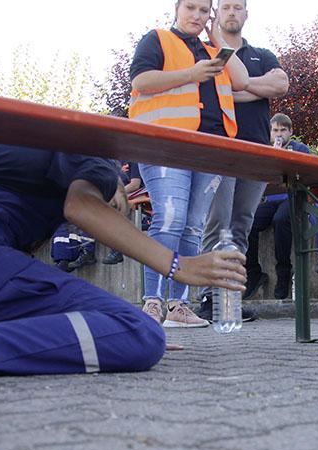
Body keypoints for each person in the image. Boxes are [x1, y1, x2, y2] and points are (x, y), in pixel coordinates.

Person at [0, 141, 246, 389]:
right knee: (141, 334)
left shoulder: (4, 149)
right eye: (122, 204)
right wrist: (177, 265)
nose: (121, 209)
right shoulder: (93, 153)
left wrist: (100, 336)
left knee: (113, 327)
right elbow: (81, 208)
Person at [129, 0, 249, 327]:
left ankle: (178, 305)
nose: (196, 16)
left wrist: (216, 36)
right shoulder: (157, 39)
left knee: (194, 226)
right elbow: (141, 82)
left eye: (203, 10)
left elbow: (241, 79)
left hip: (210, 149)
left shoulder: (215, 50)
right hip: (166, 145)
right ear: (177, 9)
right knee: (169, 218)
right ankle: (153, 302)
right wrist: (192, 74)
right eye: (190, 8)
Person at [196, 0, 289, 320]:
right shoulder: (206, 52)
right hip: (219, 151)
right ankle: (209, 297)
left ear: (246, 14)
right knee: (216, 223)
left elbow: (281, 84)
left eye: (238, 7)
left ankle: (230, 297)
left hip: (256, 154)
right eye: (226, 7)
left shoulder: (261, 55)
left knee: (240, 227)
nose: (232, 12)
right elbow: (211, 93)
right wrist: (255, 88)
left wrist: (242, 85)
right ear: (217, 14)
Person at [244, 113, 312, 300]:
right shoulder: (264, 149)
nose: (279, 134)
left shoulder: (300, 149)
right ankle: (253, 272)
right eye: (275, 130)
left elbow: (308, 175)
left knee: (281, 220)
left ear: (291, 131)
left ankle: (284, 273)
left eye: (283, 130)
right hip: (270, 199)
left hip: (292, 197)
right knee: (247, 221)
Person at [102, 161, 146, 265]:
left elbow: (135, 184)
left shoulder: (133, 160)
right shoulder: (114, 162)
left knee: (115, 204)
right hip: (123, 195)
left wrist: (115, 193)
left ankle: (117, 250)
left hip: (138, 194)